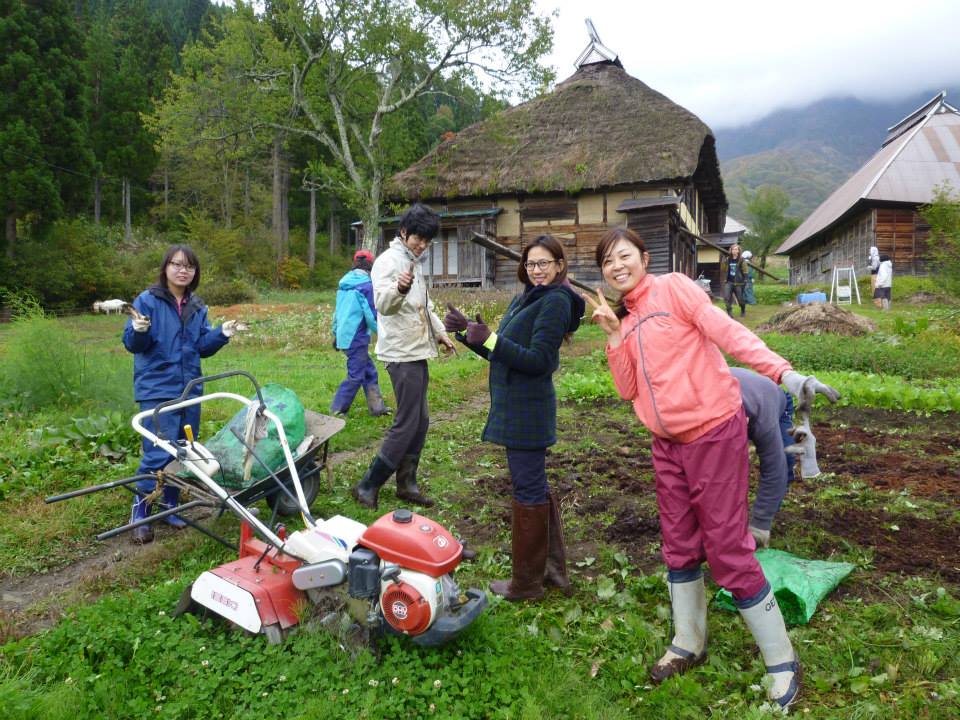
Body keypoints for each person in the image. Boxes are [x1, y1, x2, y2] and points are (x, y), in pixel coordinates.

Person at [584, 227, 838, 710]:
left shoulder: (674, 288)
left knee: (726, 546)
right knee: (678, 543)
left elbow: (728, 332)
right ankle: (689, 641)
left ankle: (781, 660)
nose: (617, 267)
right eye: (608, 262)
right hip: (667, 443)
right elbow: (626, 388)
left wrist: (782, 372)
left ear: (642, 256)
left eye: (624, 257)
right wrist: (615, 337)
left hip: (712, 432)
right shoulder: (627, 316)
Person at [443, 235, 585, 601]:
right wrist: (467, 334)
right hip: (516, 406)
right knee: (533, 485)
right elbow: (502, 353)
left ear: (558, 265)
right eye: (531, 264)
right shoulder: (525, 298)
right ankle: (552, 571)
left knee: (528, 489)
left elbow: (538, 360)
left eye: (544, 263)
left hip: (528, 409)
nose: (536, 270)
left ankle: (526, 584)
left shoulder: (554, 301)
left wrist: (490, 339)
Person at [123, 245, 239, 544]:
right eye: (177, 264)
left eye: (189, 266)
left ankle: (169, 505)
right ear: (166, 268)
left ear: (195, 272)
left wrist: (221, 334)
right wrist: (137, 330)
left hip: (190, 389)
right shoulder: (147, 301)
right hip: (158, 388)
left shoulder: (197, 307)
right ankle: (142, 511)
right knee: (157, 453)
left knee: (183, 451)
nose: (183, 270)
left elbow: (202, 347)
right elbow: (134, 344)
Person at [351, 203, 455, 510]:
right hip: (400, 352)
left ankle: (406, 483)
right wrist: (398, 287)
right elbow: (383, 303)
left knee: (420, 421)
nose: (422, 245)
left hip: (417, 348)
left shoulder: (413, 261)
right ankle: (368, 484)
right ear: (403, 232)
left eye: (427, 240)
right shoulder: (388, 262)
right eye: (417, 238)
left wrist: (440, 333)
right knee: (407, 422)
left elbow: (425, 305)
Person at [731, 367, 798, 549]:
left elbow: (774, 466)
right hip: (740, 400)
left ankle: (765, 519)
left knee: (785, 460)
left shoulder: (762, 419)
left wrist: (760, 524)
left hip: (772, 399)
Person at [331, 249, 390, 417]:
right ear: (371, 266)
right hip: (356, 337)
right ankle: (337, 409)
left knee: (369, 372)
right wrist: (384, 334)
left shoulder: (343, 285)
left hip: (345, 336)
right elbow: (371, 314)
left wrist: (335, 334)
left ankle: (377, 408)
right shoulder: (366, 286)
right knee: (356, 376)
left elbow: (337, 312)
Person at [720, 244, 747, 317]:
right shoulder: (728, 259)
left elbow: (745, 271)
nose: (734, 251)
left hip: (738, 283)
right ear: (731, 250)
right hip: (729, 282)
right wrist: (724, 262)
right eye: (733, 249)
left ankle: (743, 310)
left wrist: (745, 280)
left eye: (736, 249)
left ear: (738, 251)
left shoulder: (741, 260)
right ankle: (729, 312)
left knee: (740, 299)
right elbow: (723, 269)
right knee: (726, 297)